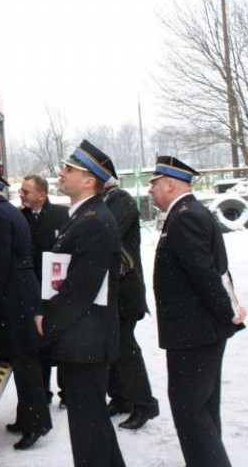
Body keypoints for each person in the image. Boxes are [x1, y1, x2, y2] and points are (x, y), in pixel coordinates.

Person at [148, 156, 247, 467]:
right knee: (202, 410)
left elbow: (206, 273)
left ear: (170, 184)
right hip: (200, 330)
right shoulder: (187, 213)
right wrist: (228, 312)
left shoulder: (185, 216)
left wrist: (227, 312)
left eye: (154, 184)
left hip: (194, 333)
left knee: (190, 412)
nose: (150, 190)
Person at [36, 140, 125, 467]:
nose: (62, 173)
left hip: (85, 338)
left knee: (88, 428)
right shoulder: (85, 216)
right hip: (82, 336)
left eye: (69, 169)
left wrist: (48, 320)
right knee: (93, 423)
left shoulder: (93, 221)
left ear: (89, 180)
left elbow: (80, 290)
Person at [0, 165, 52, 451]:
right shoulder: (8, 212)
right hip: (21, 293)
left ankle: (36, 425)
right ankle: (25, 419)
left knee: (25, 363)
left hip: (14, 298)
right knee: (24, 362)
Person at [101, 178, 160, 429]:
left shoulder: (120, 200)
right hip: (112, 292)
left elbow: (106, 234)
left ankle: (144, 404)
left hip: (125, 292)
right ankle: (121, 398)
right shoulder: (105, 202)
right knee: (112, 347)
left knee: (125, 349)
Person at [20, 175, 69, 408]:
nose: (22, 195)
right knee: (40, 345)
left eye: (26, 191)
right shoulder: (21, 217)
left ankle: (67, 392)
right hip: (33, 288)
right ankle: (44, 391)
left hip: (56, 289)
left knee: (61, 343)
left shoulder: (61, 215)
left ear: (42, 194)